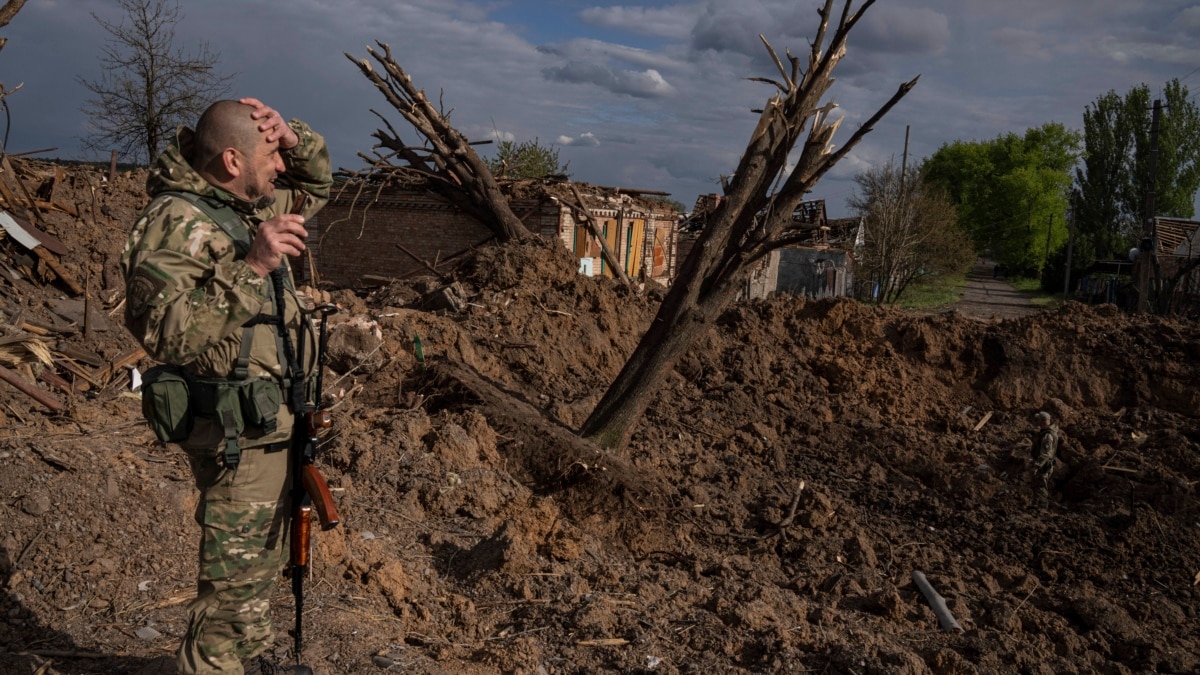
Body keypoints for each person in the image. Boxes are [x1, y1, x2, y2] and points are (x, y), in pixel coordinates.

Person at [121, 98, 332, 674]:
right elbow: (167, 335)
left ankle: (245, 660)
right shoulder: (176, 222)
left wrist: (294, 136)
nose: (282, 169)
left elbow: (316, 185)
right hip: (235, 437)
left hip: (273, 427)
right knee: (230, 601)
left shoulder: (239, 204)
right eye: (271, 156)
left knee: (256, 574)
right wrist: (253, 269)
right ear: (234, 159)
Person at [1030, 411, 1061, 503]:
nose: (1036, 422)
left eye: (1038, 420)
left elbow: (1046, 453)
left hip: (1044, 465)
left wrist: (1036, 466)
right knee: (1037, 485)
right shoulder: (1046, 432)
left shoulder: (1048, 435)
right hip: (1043, 464)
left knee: (1041, 487)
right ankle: (1036, 504)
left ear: (1043, 421)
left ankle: (1041, 506)